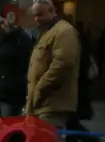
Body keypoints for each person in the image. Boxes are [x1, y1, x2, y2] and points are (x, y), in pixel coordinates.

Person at [25, 0, 80, 128]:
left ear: (52, 11)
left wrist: (40, 88)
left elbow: (62, 64)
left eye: (40, 14)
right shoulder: (47, 32)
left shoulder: (64, 31)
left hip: (52, 104)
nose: (36, 19)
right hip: (41, 104)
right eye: (34, 15)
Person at [63, 32, 101, 142]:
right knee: (72, 123)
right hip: (78, 94)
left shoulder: (78, 56)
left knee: (71, 123)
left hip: (76, 94)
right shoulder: (83, 55)